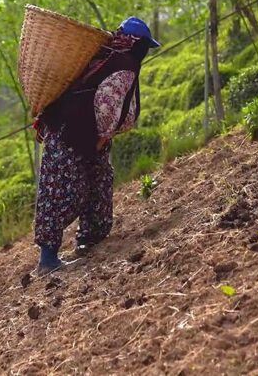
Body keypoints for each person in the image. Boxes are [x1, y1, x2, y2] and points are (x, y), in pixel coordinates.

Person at [32, 16, 161, 274]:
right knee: (65, 189)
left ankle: (89, 240)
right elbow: (107, 104)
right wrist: (103, 136)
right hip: (78, 136)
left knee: (95, 182)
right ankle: (48, 260)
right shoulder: (125, 65)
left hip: (64, 129)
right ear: (137, 44)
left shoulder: (100, 56)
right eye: (145, 46)